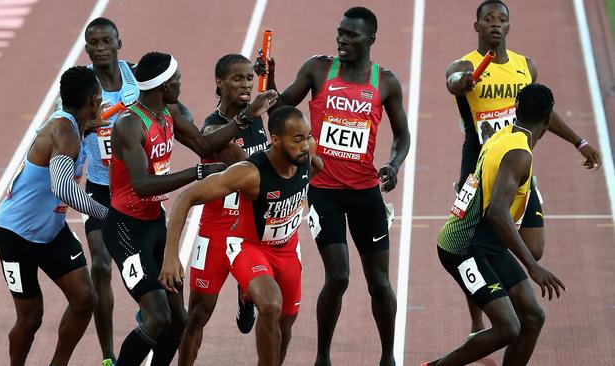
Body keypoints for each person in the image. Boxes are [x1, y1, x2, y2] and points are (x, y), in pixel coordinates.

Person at [255, 6, 410, 366]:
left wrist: (394, 164)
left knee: (380, 284)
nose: (342, 39)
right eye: (340, 32)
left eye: (351, 34)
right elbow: (278, 113)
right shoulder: (319, 69)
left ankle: (388, 357)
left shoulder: (385, 81)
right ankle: (322, 356)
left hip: (366, 192)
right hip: (324, 190)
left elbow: (402, 135)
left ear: (370, 39)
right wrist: (271, 81)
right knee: (338, 276)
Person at [102, 51, 277, 366]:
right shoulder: (130, 124)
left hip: (155, 224)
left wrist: (246, 116)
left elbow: (203, 144)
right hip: (126, 229)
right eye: (178, 80)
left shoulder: (167, 113)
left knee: (178, 322)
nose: (182, 84)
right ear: (164, 85)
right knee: (156, 318)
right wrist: (198, 174)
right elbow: (142, 185)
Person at [444, 0, 600, 337]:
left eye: (502, 19)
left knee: (533, 246)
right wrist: (463, 82)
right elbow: (453, 81)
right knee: (471, 245)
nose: (495, 24)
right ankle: (480, 318)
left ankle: (507, 283)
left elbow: (542, 112)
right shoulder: (464, 66)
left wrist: (579, 141)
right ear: (477, 27)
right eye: (488, 19)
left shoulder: (524, 67)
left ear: (509, 27)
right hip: (479, 169)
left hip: (517, 166)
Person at [161, 106, 322, 366]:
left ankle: (248, 298)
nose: (306, 145)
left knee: (286, 323)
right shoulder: (250, 173)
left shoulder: (308, 157)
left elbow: (316, 169)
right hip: (248, 247)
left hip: (287, 249)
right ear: (276, 141)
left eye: (308, 137)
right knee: (269, 305)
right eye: (297, 140)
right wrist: (171, 256)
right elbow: (186, 197)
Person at [425, 83, 566, 365]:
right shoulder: (519, 155)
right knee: (508, 328)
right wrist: (532, 266)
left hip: (488, 243)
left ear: (516, 109)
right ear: (548, 120)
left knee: (533, 317)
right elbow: (498, 213)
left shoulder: (503, 134)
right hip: (462, 246)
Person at [82, 18, 195, 365]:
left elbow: (176, 110)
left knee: (171, 315)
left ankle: (147, 306)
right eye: (93, 43)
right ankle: (107, 354)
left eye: (106, 41)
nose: (100, 48)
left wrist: (182, 119)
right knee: (100, 266)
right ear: (87, 48)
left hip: (145, 200)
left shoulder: (137, 76)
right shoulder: (84, 85)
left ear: (119, 42)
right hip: (103, 192)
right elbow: (68, 122)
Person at [0, 66, 108, 366]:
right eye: (99, 99)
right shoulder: (63, 131)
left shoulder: (72, 125)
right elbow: (63, 188)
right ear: (93, 101)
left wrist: (88, 126)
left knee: (85, 299)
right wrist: (106, 214)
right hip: (14, 236)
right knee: (30, 319)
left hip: (51, 232)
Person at [178, 54, 269, 366]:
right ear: (220, 83)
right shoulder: (212, 128)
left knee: (270, 300)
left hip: (251, 230)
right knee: (197, 315)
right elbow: (248, 165)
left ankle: (246, 295)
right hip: (215, 230)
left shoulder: (257, 117)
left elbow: (282, 111)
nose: (246, 85)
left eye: (249, 78)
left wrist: (272, 78)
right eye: (237, 79)